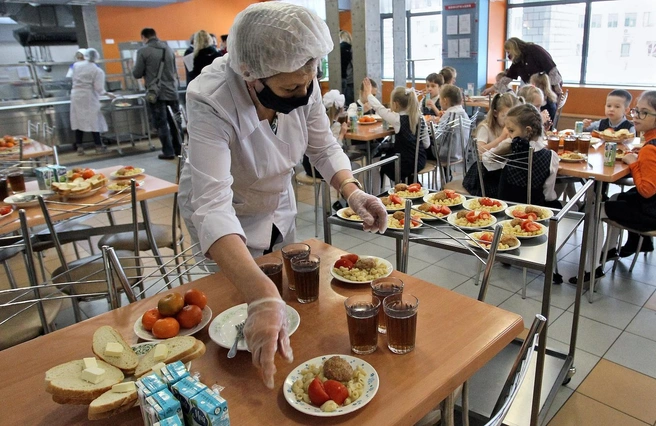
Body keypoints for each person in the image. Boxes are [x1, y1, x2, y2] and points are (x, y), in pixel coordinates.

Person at [178, 3, 387, 389]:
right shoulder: (210, 98)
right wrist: (258, 293)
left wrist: (352, 191)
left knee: (285, 296)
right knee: (241, 304)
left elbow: (323, 148)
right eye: (291, 88)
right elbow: (212, 205)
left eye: (309, 83)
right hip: (227, 220)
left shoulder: (299, 78)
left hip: (276, 203)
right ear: (251, 75)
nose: (304, 93)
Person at [571, 91, 656, 284]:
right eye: (636, 111)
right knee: (616, 199)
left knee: (594, 210)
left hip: (651, 213)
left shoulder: (651, 148)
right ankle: (609, 250)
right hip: (650, 207)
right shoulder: (649, 143)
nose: (636, 116)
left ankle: (590, 269)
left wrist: (635, 162)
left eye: (644, 112)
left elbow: (646, 190)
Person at [482, 104, 560, 208]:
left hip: (506, 208)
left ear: (528, 130)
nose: (509, 135)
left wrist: (503, 147)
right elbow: (548, 195)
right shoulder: (551, 157)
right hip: (534, 212)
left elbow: (485, 159)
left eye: (511, 131)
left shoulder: (509, 148)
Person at [361, 78, 429, 183]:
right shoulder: (421, 117)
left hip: (405, 163)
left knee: (383, 161)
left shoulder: (397, 119)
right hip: (420, 160)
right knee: (392, 152)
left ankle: (394, 188)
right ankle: (410, 182)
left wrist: (369, 93)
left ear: (396, 104)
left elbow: (379, 108)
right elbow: (426, 144)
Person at [133, 27, 182, 160]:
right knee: (175, 121)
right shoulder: (168, 49)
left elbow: (137, 73)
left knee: (161, 122)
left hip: (156, 93)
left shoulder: (143, 51)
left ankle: (168, 151)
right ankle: (179, 149)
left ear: (144, 37)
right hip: (172, 90)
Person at [462, 92, 520, 196]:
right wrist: (501, 138)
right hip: (484, 174)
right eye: (505, 116)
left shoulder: (513, 127)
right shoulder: (486, 127)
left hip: (502, 170)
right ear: (495, 113)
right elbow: (480, 152)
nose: (509, 120)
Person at [484, 37, 563, 97]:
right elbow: (507, 77)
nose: (508, 55)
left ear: (514, 48)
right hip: (536, 92)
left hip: (548, 90)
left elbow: (551, 67)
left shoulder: (534, 50)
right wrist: (491, 89)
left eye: (508, 51)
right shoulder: (518, 60)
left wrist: (556, 87)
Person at [70, 48, 111, 155]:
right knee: (94, 120)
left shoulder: (76, 65)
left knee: (78, 120)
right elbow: (99, 88)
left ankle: (79, 147)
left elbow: (72, 77)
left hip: (76, 95)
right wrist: (108, 94)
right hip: (89, 96)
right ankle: (98, 146)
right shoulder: (97, 70)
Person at [302, 89, 349, 179]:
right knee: (347, 166)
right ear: (341, 109)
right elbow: (333, 150)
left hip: (308, 166)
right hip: (321, 168)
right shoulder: (336, 125)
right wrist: (342, 134)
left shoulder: (320, 122)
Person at [435, 84, 469, 177]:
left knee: (421, 149)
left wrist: (432, 129)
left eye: (440, 99)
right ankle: (446, 174)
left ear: (445, 100)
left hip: (447, 154)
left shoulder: (449, 115)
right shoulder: (463, 113)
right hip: (460, 151)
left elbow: (438, 139)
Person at [340, 30, 354, 105]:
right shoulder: (352, 49)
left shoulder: (337, 49)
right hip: (350, 79)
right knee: (350, 102)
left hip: (340, 78)